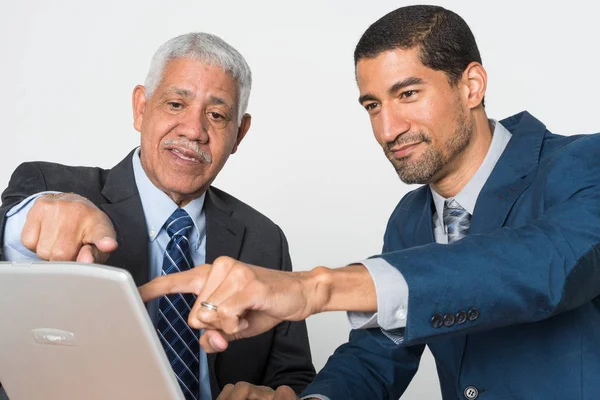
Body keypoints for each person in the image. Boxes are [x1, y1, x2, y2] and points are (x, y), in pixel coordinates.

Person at [139, 5, 600, 400]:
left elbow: (543, 267)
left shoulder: (584, 163)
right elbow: (377, 354)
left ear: (471, 85)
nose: (388, 130)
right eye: (373, 106)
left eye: (408, 94)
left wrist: (315, 288)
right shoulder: (410, 219)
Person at [0, 32, 315, 399]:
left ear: (239, 134)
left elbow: (294, 378)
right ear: (140, 107)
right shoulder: (52, 186)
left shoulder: (264, 239)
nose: (194, 131)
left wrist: (276, 396)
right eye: (176, 104)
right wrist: (26, 222)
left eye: (216, 115)